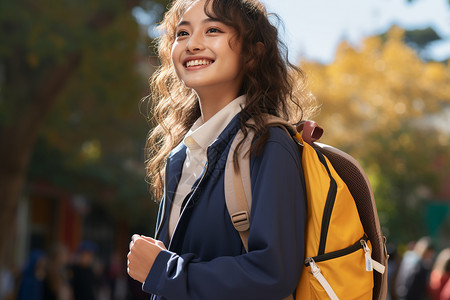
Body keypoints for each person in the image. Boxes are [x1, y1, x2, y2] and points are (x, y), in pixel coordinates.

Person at [127, 0, 316, 299]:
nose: (192, 44)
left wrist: (164, 270)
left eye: (212, 29)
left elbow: (272, 274)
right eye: (182, 33)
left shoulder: (270, 145)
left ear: (253, 53)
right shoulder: (179, 157)